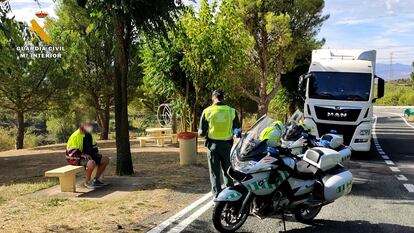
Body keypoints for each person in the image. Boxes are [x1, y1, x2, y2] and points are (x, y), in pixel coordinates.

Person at [199, 90, 241, 196]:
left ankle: (217, 197)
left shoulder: (207, 111)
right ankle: (230, 195)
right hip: (227, 146)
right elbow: (237, 129)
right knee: (228, 172)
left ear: (213, 97)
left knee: (214, 173)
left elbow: (202, 133)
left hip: (213, 146)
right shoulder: (231, 111)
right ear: (223, 98)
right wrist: (236, 136)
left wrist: (203, 132)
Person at [66, 120, 110, 189]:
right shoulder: (75, 136)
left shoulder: (89, 134)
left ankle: (96, 180)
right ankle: (87, 182)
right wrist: (82, 154)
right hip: (75, 158)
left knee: (105, 159)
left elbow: (94, 146)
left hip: (88, 155)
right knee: (91, 163)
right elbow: (71, 151)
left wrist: (96, 154)